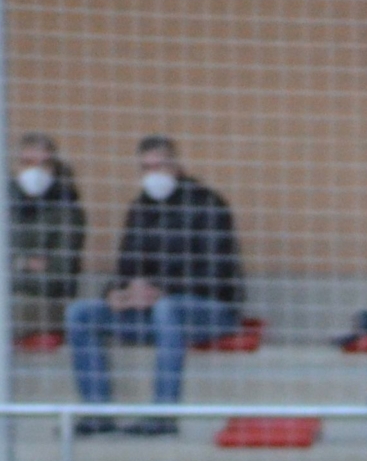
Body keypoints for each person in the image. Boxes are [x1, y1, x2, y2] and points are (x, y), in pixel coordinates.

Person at [66, 137, 244, 437]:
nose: (153, 174)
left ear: (176, 166)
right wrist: (117, 293)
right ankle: (98, 412)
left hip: (209, 310)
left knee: (167, 309)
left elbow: (218, 272)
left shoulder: (208, 204)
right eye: (146, 168)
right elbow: (125, 267)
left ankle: (163, 415)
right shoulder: (139, 209)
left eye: (159, 165)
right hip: (152, 312)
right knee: (82, 313)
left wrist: (160, 290)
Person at [0, 134, 86, 430]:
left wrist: (2, 258)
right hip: (0, 297)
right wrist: (26, 262)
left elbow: (58, 276)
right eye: (28, 162)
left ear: (55, 167)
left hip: (46, 303)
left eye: (43, 163)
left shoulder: (68, 210)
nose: (35, 170)